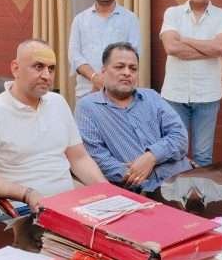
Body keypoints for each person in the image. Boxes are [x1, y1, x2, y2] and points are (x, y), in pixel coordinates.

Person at [0, 39, 107, 210]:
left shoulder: (58, 103)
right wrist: (26, 194)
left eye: (51, 69)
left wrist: (108, 191)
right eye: (38, 67)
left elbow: (79, 158)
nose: (46, 76)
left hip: (69, 204)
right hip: (23, 209)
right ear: (15, 68)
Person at [75, 42, 191, 192]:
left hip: (182, 179)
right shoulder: (88, 107)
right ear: (103, 71)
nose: (127, 73)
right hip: (140, 190)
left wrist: (152, 157)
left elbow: (180, 137)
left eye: (133, 68)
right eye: (119, 67)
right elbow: (97, 157)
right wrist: (135, 174)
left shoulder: (152, 97)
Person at [159, 0, 222, 167]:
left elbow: (221, 47)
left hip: (207, 95)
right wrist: (208, 49)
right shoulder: (173, 13)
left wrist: (185, 39)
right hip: (175, 94)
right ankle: (175, 190)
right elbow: (171, 47)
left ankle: (200, 190)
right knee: (175, 153)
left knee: (203, 155)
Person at [69, 0, 141, 98]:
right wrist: (95, 78)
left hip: (120, 91)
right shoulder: (80, 20)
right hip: (86, 92)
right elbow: (74, 56)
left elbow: (133, 55)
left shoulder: (130, 19)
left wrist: (109, 81)